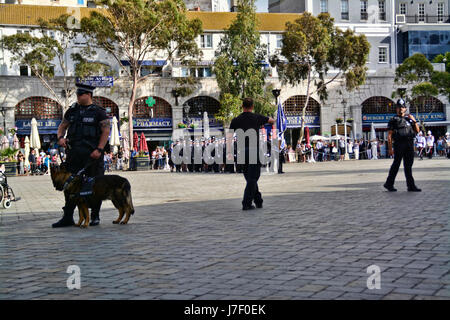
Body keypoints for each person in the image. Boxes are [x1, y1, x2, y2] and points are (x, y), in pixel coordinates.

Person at [52, 83, 110, 228]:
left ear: (89, 95)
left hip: (92, 155)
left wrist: (99, 149)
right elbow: (62, 126)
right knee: (70, 185)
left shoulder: (99, 112)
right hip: (74, 153)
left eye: (80, 94)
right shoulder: (72, 111)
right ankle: (68, 217)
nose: (77, 96)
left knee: (95, 185)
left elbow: (106, 131)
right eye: (77, 94)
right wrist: (60, 138)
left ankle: (95, 216)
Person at [229, 98, 275, 210]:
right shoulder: (257, 117)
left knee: (250, 178)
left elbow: (229, 137)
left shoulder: (236, 120)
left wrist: (229, 152)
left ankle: (258, 200)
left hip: (241, 152)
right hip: (254, 150)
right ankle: (246, 203)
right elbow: (272, 120)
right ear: (252, 107)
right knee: (253, 177)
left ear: (242, 106)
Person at [384, 99, 421, 192]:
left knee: (408, 166)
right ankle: (389, 184)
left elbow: (417, 131)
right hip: (399, 144)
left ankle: (411, 186)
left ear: (405, 109)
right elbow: (389, 135)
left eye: (402, 107)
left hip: (409, 144)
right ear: (396, 109)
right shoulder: (393, 120)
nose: (401, 109)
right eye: (399, 107)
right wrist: (390, 148)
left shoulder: (409, 119)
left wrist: (414, 121)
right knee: (396, 164)